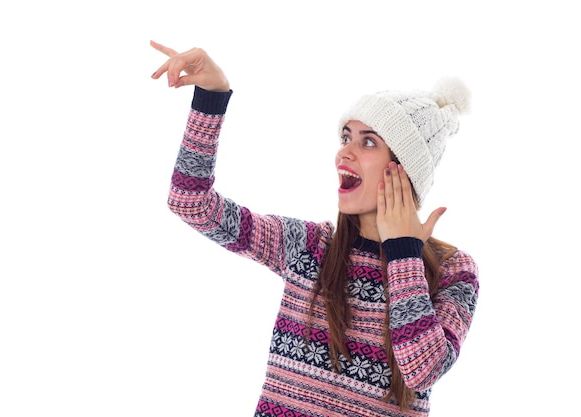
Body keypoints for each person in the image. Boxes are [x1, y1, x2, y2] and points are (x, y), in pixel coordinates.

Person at [150, 40, 479, 417]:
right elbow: (191, 203)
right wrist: (212, 97)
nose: (344, 153)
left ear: (405, 170)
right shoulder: (310, 247)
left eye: (368, 141)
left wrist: (403, 251)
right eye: (345, 138)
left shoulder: (454, 270)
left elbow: (423, 370)